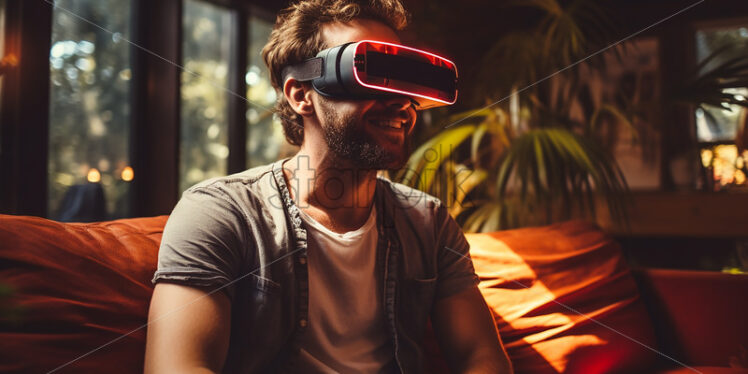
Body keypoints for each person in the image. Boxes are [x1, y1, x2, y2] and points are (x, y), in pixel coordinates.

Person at [144, 0, 512, 373]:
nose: (402, 104)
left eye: (406, 82)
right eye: (375, 73)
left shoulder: (429, 222)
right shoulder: (220, 213)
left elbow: (479, 357)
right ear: (302, 95)